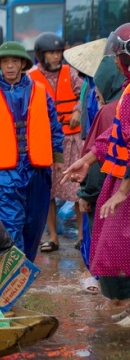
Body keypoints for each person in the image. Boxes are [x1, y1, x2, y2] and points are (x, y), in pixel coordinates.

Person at [0, 41, 64, 262]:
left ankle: (22, 272)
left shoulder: (40, 91)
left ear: (22, 64)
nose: (10, 66)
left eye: (14, 61)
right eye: (5, 61)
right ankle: (13, 276)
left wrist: (57, 156)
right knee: (11, 227)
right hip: (4, 175)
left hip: (37, 173)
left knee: (33, 227)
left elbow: (54, 126)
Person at [61, 24, 130, 313]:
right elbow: (115, 135)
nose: (115, 62)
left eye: (118, 57)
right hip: (120, 182)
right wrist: (86, 159)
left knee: (116, 246)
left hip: (125, 185)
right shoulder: (126, 94)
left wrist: (122, 193)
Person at [29, 32, 84, 253]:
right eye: (51, 53)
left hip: (72, 141)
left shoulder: (69, 72)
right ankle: (52, 236)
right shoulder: (31, 77)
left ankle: (81, 236)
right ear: (41, 55)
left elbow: (84, 93)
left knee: (78, 188)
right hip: (47, 142)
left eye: (58, 52)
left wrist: (78, 110)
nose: (56, 56)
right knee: (48, 191)